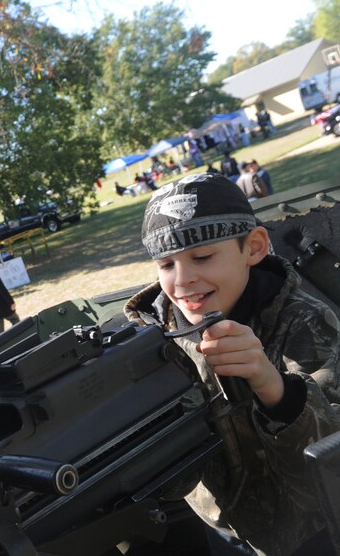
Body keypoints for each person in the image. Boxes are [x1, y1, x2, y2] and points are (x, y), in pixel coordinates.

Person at [124, 173, 340, 556]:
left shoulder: (304, 320)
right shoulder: (152, 342)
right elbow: (172, 484)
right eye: (166, 264)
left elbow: (330, 458)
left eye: (202, 257)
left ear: (254, 247)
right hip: (225, 532)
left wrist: (275, 388)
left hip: (314, 529)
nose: (183, 280)